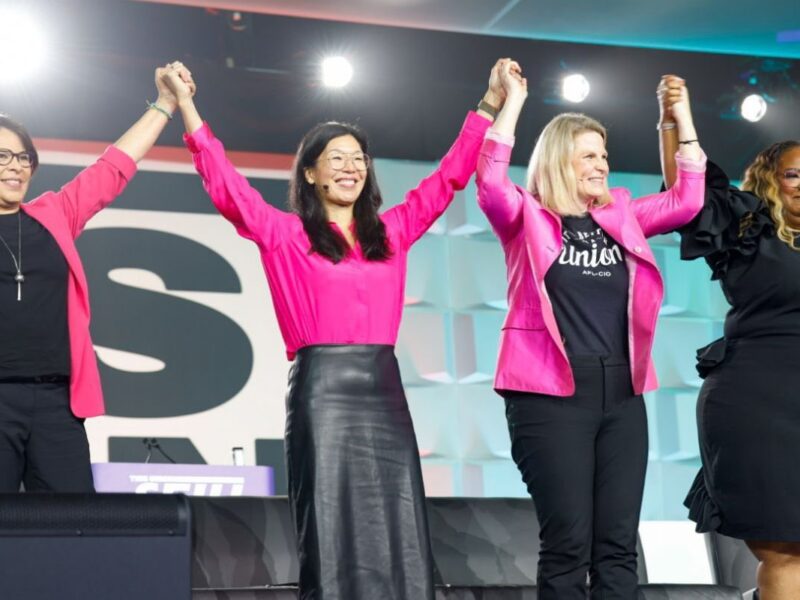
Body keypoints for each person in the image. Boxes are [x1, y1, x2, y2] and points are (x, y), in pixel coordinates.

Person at [161, 59, 514, 599]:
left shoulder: (392, 231)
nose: (350, 168)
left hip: (383, 391)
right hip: (322, 393)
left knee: (398, 522)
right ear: (310, 173)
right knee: (329, 522)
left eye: (358, 159)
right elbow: (227, 186)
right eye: (336, 159)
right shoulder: (284, 233)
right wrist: (185, 106)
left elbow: (448, 177)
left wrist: (489, 104)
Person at [475, 63, 707, 599]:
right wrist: (511, 101)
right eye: (589, 155)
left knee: (619, 546)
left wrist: (679, 116)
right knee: (567, 545)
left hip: (623, 393)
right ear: (560, 160)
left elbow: (688, 200)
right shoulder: (523, 216)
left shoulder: (621, 215)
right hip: (550, 395)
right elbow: (489, 177)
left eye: (604, 155)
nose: (602, 165)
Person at [0, 62, 193, 492]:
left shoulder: (55, 214)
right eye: (2, 156)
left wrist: (164, 104)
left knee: (72, 528)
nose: (15, 167)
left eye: (23, 157)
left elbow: (113, 167)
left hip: (56, 404)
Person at [660, 75, 800, 600]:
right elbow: (685, 184)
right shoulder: (746, 228)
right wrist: (675, 118)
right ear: (769, 178)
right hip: (759, 401)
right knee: (786, 548)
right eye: (792, 173)